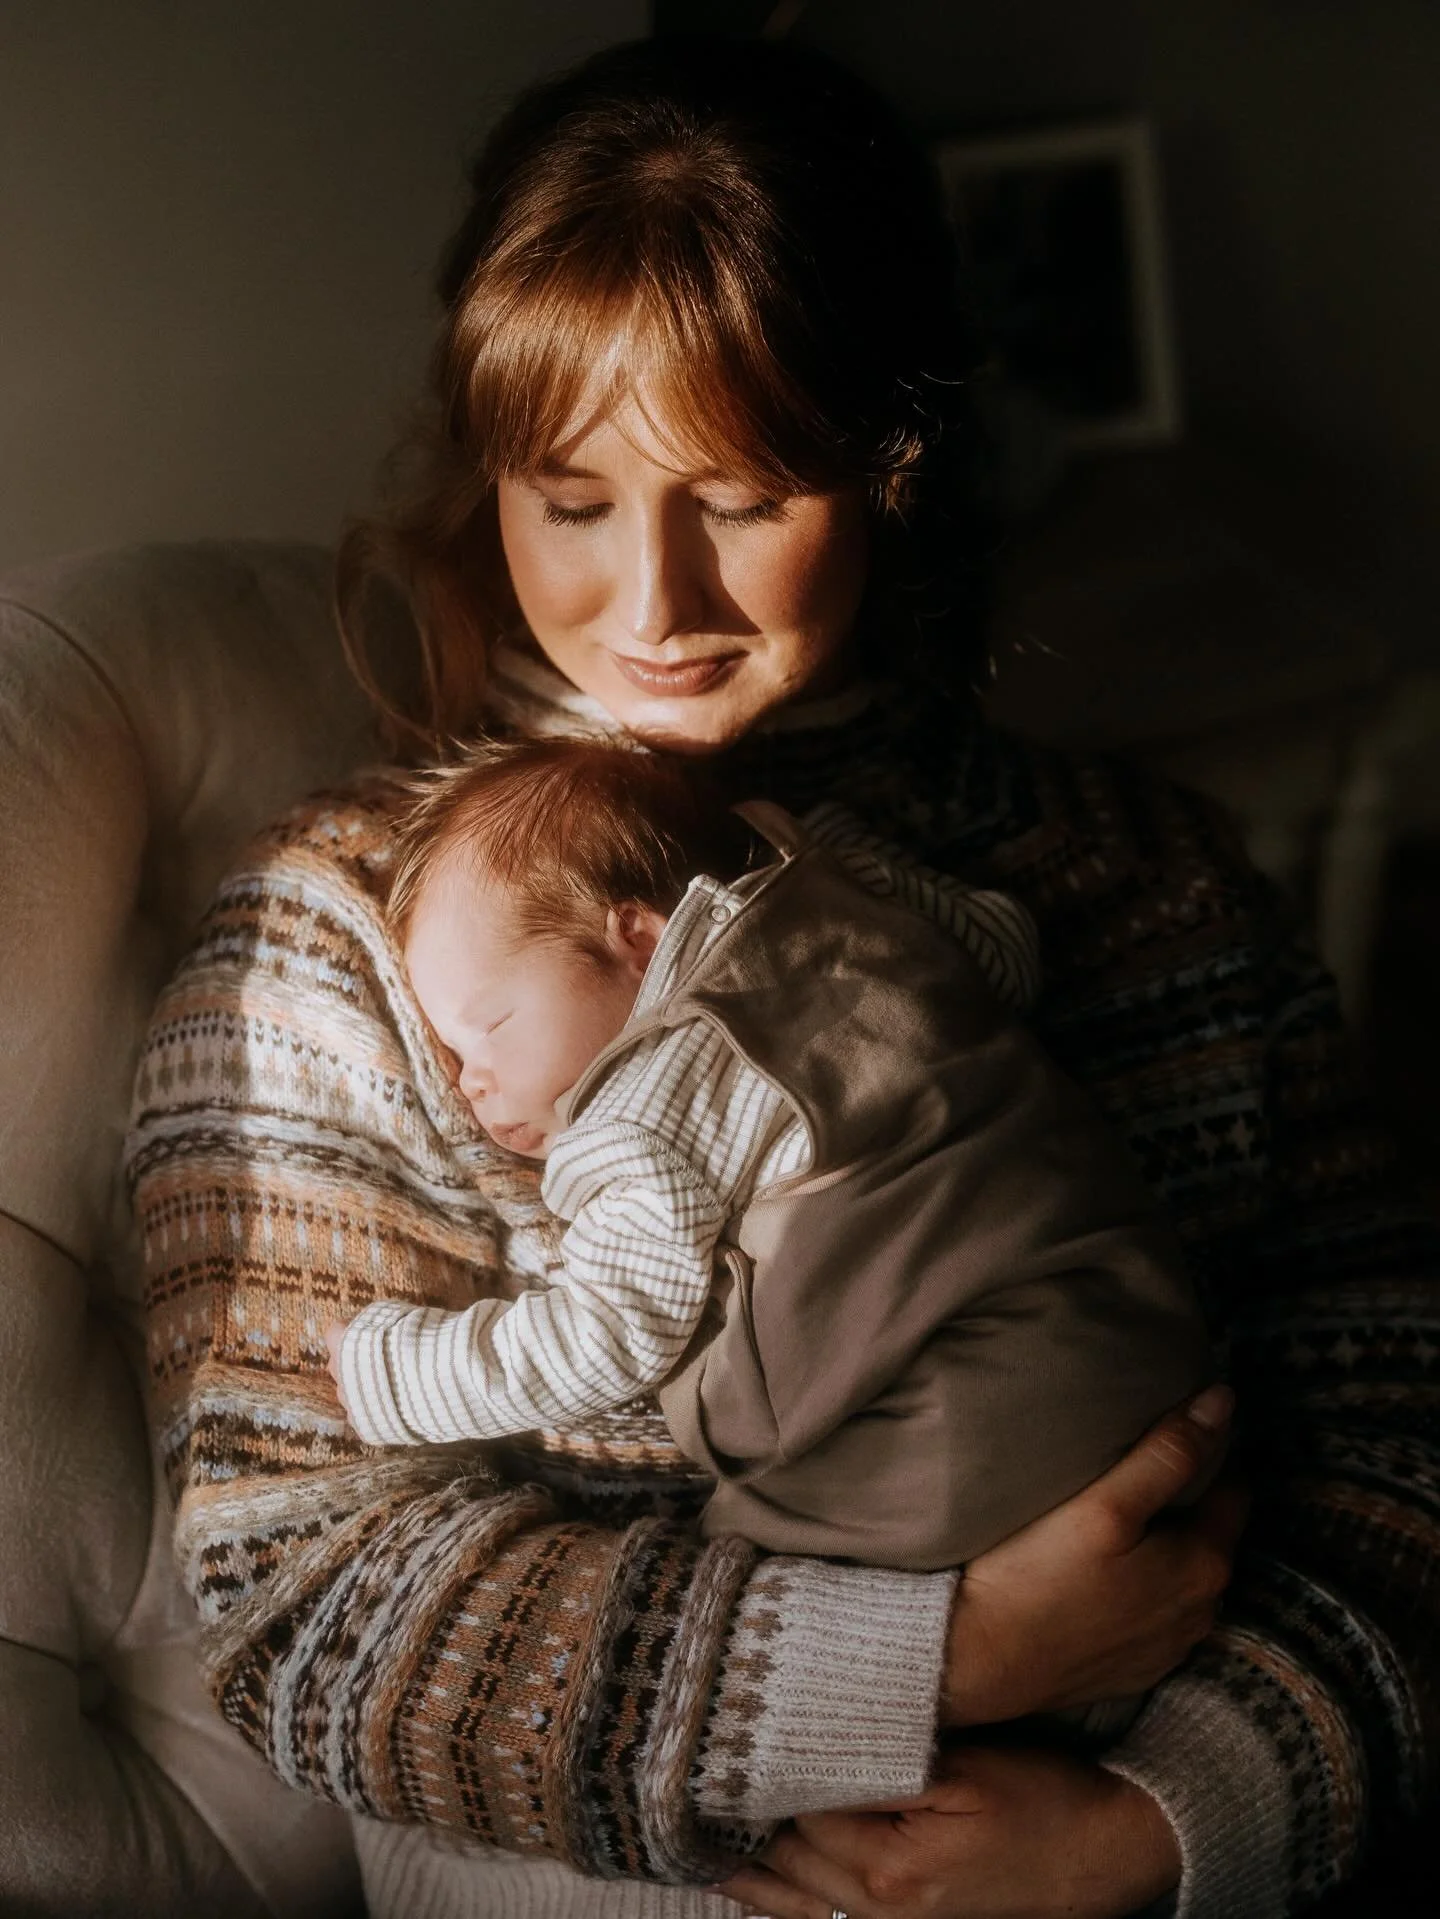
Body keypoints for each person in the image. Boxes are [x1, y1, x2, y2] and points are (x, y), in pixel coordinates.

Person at [124, 33, 1437, 1919]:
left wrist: (1160, 1826)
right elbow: (304, 1592)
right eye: (571, 498)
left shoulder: (1140, 879)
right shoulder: (340, 939)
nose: (652, 604)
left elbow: (1391, 1422)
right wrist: (931, 1662)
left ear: (890, 465)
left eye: (739, 498)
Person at [327, 736, 1212, 1575]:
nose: (469, 1080)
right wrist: (854, 859)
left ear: (635, 939)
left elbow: (612, 1333)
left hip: (957, 1429)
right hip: (1136, 1327)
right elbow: (1006, 948)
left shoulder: (645, 1106)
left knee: (741, 1569)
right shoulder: (838, 890)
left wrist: (399, 1375)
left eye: (488, 1028)